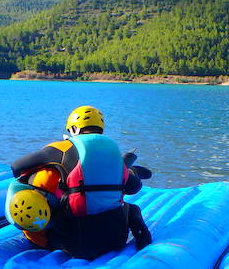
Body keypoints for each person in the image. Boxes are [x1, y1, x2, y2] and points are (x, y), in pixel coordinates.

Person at [9, 105, 152, 260]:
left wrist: (51, 164)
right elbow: (134, 187)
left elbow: (17, 167)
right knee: (129, 207)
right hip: (116, 239)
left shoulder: (61, 147)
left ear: (74, 129)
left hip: (74, 244)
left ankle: (37, 233)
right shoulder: (114, 152)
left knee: (29, 183)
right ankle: (138, 226)